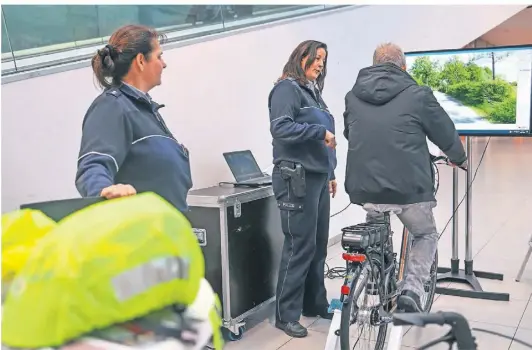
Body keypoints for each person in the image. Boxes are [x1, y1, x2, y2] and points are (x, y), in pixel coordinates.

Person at [343, 43, 467, 313]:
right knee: (425, 233)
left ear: (374, 64)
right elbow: (444, 132)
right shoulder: (418, 94)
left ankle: (377, 274)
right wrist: (459, 156)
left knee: (375, 227)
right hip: (408, 187)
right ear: (403, 67)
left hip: (364, 187)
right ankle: (411, 290)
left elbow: (350, 132)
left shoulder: (352, 96)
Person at [75, 24, 193, 213]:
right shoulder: (112, 107)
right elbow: (93, 164)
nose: (164, 64)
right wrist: (104, 191)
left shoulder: (143, 110)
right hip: (140, 236)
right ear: (140, 60)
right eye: (159, 56)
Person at [268, 40, 337, 338]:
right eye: (316, 57)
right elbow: (280, 127)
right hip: (296, 179)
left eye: (324, 59)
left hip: (318, 178)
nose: (320, 63)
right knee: (298, 246)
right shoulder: (286, 89)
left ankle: (314, 303)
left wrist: (331, 172)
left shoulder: (313, 93)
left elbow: (325, 143)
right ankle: (286, 315)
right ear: (301, 57)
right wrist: (318, 131)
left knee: (318, 246)